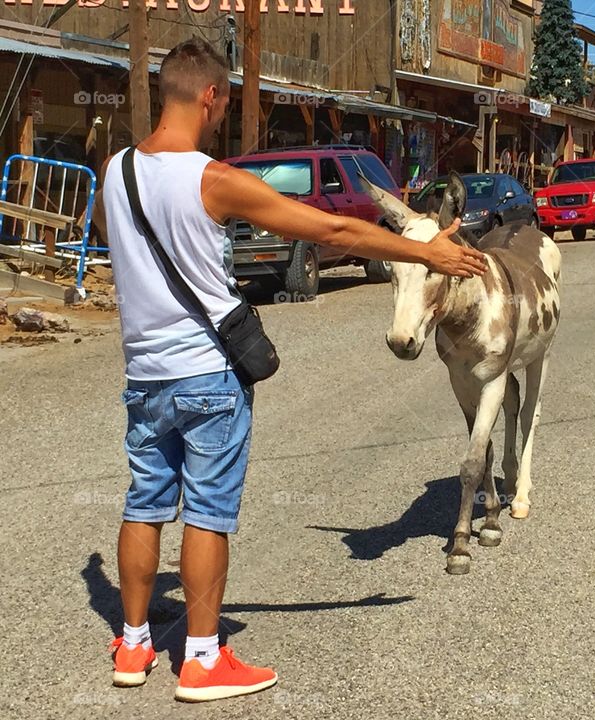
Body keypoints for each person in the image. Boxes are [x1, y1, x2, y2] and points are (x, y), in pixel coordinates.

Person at [99, 37, 487, 703]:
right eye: (223, 106)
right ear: (212, 97)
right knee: (208, 515)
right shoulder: (213, 180)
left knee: (144, 504)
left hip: (144, 374)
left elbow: (115, 248)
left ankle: (132, 646)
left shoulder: (116, 172)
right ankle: (200, 659)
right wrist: (427, 256)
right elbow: (331, 232)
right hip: (207, 376)